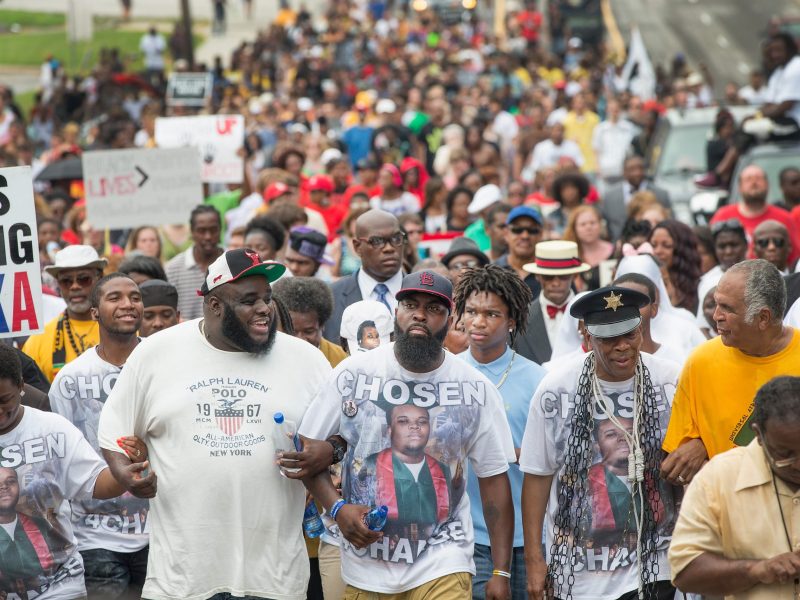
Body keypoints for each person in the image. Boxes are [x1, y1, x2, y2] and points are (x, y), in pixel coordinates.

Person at [97, 249, 332, 599]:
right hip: (183, 580)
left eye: (267, 298)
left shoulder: (307, 360)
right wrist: (126, 473)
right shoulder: (156, 353)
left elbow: (341, 438)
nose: (264, 309)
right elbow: (114, 431)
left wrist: (329, 451)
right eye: (249, 300)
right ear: (215, 305)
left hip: (274, 577)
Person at [298, 270, 516, 600]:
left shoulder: (476, 388)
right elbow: (307, 453)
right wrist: (338, 508)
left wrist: (501, 570)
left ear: (451, 317)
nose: (420, 314)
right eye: (410, 304)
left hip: (444, 557)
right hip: (365, 563)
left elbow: (494, 480)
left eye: (434, 308)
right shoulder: (353, 374)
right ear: (396, 312)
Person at [520, 286, 682, 600]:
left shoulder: (672, 380)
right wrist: (534, 560)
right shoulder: (555, 389)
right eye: (609, 340)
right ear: (588, 336)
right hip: (578, 573)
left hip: (655, 563)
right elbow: (537, 476)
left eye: (630, 335)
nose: (622, 347)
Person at [0, 344, 154, 599]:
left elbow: (96, 483)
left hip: (60, 585)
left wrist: (126, 473)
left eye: (4, 400)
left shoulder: (52, 429)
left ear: (21, 386)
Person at [49, 273, 149, 599]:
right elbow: (63, 462)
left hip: (161, 532)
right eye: (115, 297)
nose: (127, 304)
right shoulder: (70, 381)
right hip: (94, 537)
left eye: (134, 297)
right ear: (95, 312)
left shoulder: (164, 365)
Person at [661, 259, 800, 487]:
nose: (716, 315)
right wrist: (701, 445)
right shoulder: (700, 362)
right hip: (726, 507)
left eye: (727, 308)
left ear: (763, 318)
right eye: (716, 304)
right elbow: (679, 458)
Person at [455, 265, 547, 600]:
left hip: (526, 538)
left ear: (511, 321)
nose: (478, 322)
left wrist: (512, 452)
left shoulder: (537, 380)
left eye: (492, 314)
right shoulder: (446, 372)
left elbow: (553, 460)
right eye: (471, 312)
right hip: (462, 534)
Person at [669, 376, 800, 599]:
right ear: (758, 435)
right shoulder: (718, 477)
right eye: (784, 454)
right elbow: (685, 572)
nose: (798, 465)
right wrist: (758, 570)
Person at [23, 245, 106, 382]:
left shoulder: (123, 329)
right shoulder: (37, 341)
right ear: (58, 284)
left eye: (84, 279)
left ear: (100, 278)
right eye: (66, 281)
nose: (75, 286)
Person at [323, 209, 405, 342]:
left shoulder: (423, 293)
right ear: (357, 246)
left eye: (396, 239)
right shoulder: (331, 298)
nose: (389, 248)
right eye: (377, 241)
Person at [516, 240, 589, 365]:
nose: (556, 283)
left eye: (563, 276)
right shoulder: (520, 319)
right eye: (548, 277)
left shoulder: (590, 315)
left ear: (574, 275)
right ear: (537, 276)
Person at [710, 165, 800, 263]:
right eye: (748, 179)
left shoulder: (785, 218)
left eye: (758, 178)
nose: (754, 183)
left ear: (767, 184)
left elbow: (795, 258)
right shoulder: (722, 216)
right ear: (739, 187)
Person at [164, 205, 223, 321]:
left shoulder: (232, 264)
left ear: (220, 229)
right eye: (201, 231)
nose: (208, 236)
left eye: (213, 230)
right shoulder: (173, 269)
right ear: (192, 231)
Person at [273, 276, 348, 367]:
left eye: (309, 331)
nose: (300, 339)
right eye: (291, 331)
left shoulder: (343, 362)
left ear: (322, 325)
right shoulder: (263, 357)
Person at [613, 273, 686, 364]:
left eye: (636, 304)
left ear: (654, 309)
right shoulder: (604, 362)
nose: (628, 310)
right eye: (620, 303)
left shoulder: (675, 361)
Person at [601, 156, 672, 242]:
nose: (637, 173)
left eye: (640, 168)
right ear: (624, 171)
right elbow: (606, 226)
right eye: (632, 169)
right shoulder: (610, 197)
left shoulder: (661, 195)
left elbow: (671, 223)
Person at [649, 220, 702, 314]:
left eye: (666, 246)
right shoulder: (647, 285)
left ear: (682, 250)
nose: (657, 251)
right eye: (653, 245)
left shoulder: (700, 288)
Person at [563, 205, 615, 291]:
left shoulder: (614, 251)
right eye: (583, 224)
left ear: (600, 224)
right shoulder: (569, 256)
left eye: (592, 223)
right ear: (574, 228)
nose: (588, 227)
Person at [496, 206, 544, 295]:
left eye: (532, 230)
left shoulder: (550, 273)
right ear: (506, 234)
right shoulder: (492, 272)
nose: (525, 236)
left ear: (540, 234)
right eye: (517, 230)